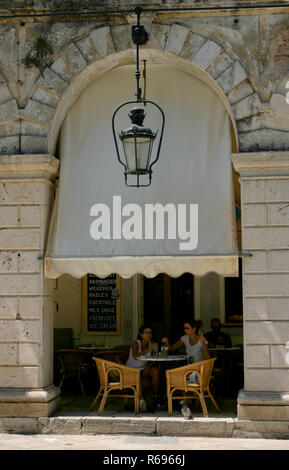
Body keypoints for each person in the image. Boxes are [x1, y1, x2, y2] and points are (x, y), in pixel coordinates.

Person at [126, 323, 160, 410]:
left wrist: (153, 360)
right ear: (141, 334)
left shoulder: (151, 344)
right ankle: (141, 401)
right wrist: (149, 349)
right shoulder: (135, 343)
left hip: (143, 369)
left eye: (150, 333)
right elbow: (136, 356)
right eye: (147, 333)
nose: (149, 335)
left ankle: (156, 397)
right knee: (137, 375)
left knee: (155, 370)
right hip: (131, 370)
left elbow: (152, 357)